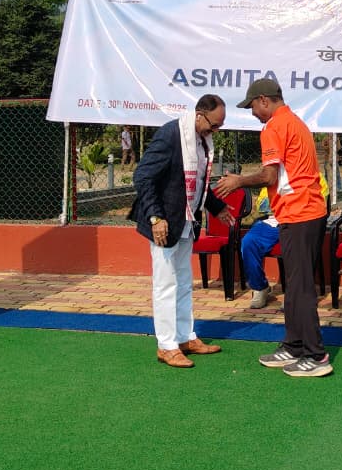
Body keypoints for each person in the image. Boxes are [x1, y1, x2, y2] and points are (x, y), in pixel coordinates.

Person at [215, 78, 330, 378]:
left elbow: (269, 177)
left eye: (252, 106)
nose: (253, 113)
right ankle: (293, 345)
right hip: (302, 212)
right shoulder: (295, 122)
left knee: (300, 287)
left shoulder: (274, 126)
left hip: (299, 212)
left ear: (264, 100)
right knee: (294, 284)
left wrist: (238, 181)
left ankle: (316, 355)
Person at [129, 94, 230, 368]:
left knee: (184, 281)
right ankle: (166, 345)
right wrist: (155, 217)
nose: (215, 131)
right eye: (214, 125)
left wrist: (217, 207)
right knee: (165, 284)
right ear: (199, 114)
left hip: (186, 221)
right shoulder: (171, 135)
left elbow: (198, 182)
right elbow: (143, 176)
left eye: (220, 126)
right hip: (163, 222)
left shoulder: (202, 141)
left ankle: (185, 337)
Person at [243, 172, 329, 309]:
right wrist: (290, 201)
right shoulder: (273, 174)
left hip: (300, 221)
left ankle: (294, 293)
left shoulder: (315, 175)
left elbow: (319, 203)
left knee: (298, 245)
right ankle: (260, 287)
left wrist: (288, 201)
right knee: (249, 242)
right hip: (273, 221)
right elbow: (262, 205)